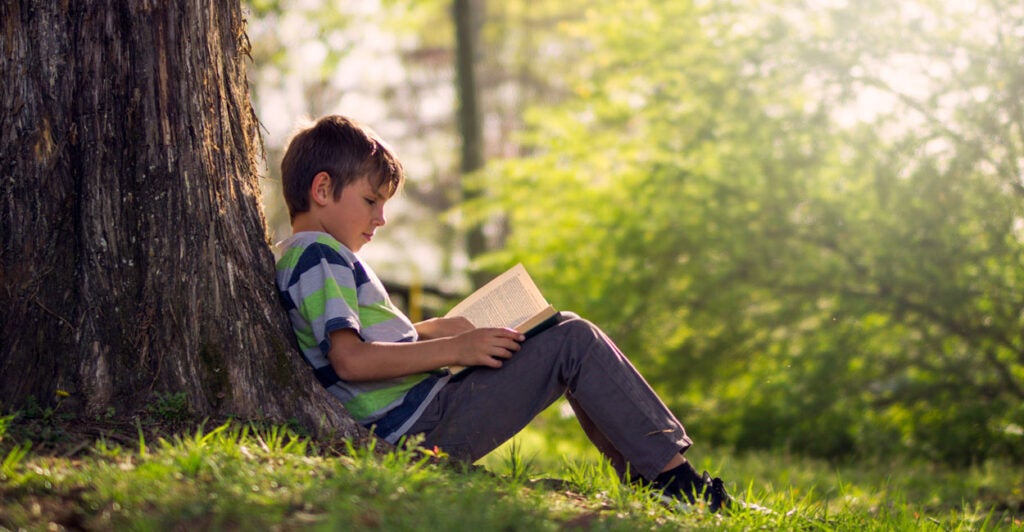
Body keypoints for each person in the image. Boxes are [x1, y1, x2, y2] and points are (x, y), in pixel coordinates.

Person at [274, 115, 731, 512]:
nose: (380, 219)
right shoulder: (320, 255)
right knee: (574, 342)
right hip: (421, 431)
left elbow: (361, 339)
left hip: (421, 419)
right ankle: (678, 485)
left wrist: (433, 330)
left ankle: (656, 479)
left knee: (568, 333)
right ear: (322, 189)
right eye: (372, 201)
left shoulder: (312, 256)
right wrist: (457, 348)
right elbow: (350, 359)